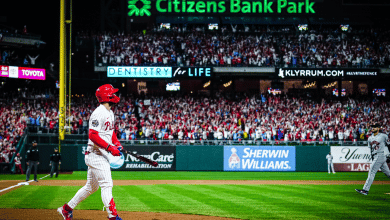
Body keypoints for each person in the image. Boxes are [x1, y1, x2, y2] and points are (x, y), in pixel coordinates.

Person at [57, 84, 123, 220]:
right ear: (107, 96)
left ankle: (66, 209)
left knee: (91, 187)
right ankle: (113, 216)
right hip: (95, 154)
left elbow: (110, 132)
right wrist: (110, 148)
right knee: (107, 184)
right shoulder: (98, 112)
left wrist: (116, 143)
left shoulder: (110, 112)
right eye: (112, 93)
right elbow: (93, 135)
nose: (115, 95)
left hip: (100, 154)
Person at [356, 123, 390, 195]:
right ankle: (365, 190)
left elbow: (389, 145)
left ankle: (365, 190)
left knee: (371, 172)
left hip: (380, 155)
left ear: (378, 128)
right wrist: (372, 158)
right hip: (376, 156)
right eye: (372, 127)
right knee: (388, 174)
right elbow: (371, 150)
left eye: (375, 127)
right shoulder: (370, 138)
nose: (373, 128)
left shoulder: (383, 136)